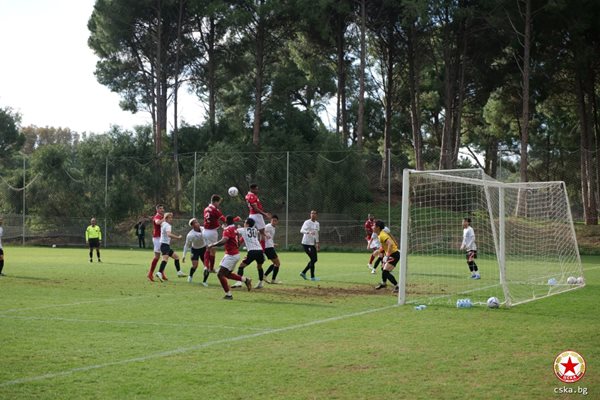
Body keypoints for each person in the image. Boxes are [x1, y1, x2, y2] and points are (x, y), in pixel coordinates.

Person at [207, 215, 252, 300]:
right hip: (234, 254)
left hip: (231, 255)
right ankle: (246, 280)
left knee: (220, 274)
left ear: (226, 221)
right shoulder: (235, 229)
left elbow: (224, 240)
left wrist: (212, 245)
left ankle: (228, 295)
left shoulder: (228, 230)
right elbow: (238, 243)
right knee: (227, 274)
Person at [232, 218, 266, 289]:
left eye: (245, 222)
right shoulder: (255, 230)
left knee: (241, 266)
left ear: (247, 224)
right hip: (260, 251)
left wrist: (238, 228)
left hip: (252, 251)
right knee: (259, 266)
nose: (244, 224)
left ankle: (239, 282)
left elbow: (234, 231)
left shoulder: (243, 230)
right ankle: (260, 283)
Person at [373, 220, 400, 293]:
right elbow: (385, 246)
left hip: (394, 254)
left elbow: (390, 244)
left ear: (378, 227)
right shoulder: (380, 235)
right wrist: (378, 251)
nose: (372, 227)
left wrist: (387, 255)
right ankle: (384, 283)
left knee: (385, 270)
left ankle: (397, 286)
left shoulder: (382, 235)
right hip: (392, 254)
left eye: (374, 225)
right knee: (384, 270)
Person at [155, 213, 183, 282]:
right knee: (165, 259)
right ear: (166, 218)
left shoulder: (163, 224)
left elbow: (160, 224)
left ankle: (179, 272)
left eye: (171, 217)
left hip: (165, 245)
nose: (171, 219)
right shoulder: (168, 225)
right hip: (164, 245)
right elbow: (169, 234)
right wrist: (178, 237)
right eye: (170, 218)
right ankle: (159, 273)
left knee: (176, 257)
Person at [203, 195, 226, 274]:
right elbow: (224, 220)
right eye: (219, 202)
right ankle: (210, 268)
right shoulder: (215, 210)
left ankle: (207, 267)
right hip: (212, 232)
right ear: (215, 201)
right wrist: (236, 219)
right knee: (213, 250)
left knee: (208, 248)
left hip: (205, 231)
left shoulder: (206, 209)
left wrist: (219, 224)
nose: (219, 204)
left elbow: (212, 219)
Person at [182, 217, 208, 286]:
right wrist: (184, 256)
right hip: (195, 250)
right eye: (195, 222)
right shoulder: (190, 235)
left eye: (197, 221)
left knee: (206, 266)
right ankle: (190, 276)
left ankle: (204, 282)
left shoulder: (203, 229)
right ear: (193, 225)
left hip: (204, 249)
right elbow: (186, 245)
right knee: (195, 266)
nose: (198, 223)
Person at [299, 210, 320, 281]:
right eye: (311, 213)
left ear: (316, 215)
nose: (313, 214)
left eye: (314, 213)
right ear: (310, 214)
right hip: (305, 243)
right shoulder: (307, 222)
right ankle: (312, 277)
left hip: (312, 244)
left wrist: (317, 243)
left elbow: (316, 234)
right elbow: (301, 230)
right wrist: (308, 232)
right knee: (313, 259)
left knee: (315, 259)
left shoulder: (317, 223)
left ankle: (303, 272)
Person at [263, 215, 282, 284]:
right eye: (272, 220)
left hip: (270, 246)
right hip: (268, 248)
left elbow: (269, 237)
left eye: (275, 221)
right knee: (277, 263)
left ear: (277, 222)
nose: (273, 222)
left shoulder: (273, 228)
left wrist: (273, 243)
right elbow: (261, 231)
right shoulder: (268, 226)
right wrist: (265, 235)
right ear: (270, 220)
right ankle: (268, 278)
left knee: (276, 263)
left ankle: (267, 277)